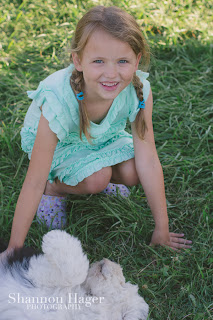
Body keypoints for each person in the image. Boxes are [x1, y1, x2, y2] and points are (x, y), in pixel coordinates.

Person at [2, 5, 192, 257]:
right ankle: (56, 189)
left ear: (137, 60)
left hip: (102, 137)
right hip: (61, 144)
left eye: (123, 61)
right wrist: (13, 249)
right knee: (98, 178)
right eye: (99, 61)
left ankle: (92, 170)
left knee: (134, 171)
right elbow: (34, 179)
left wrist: (162, 229)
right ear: (78, 60)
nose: (111, 74)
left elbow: (148, 160)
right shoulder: (58, 99)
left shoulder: (139, 90)